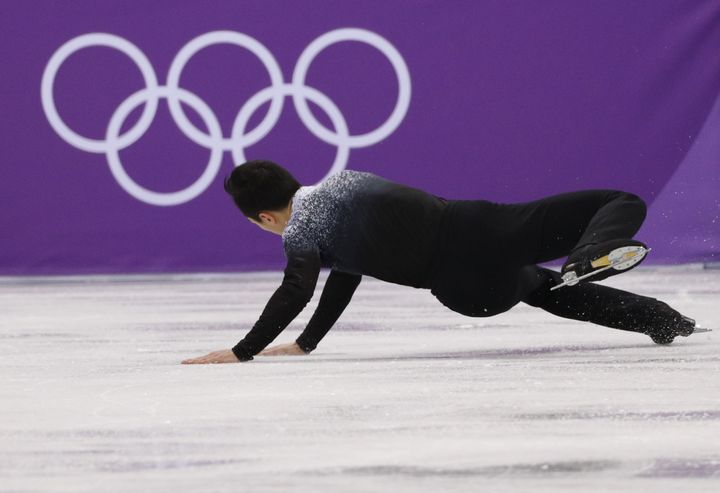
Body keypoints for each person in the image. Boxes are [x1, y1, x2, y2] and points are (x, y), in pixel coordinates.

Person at [181, 160, 700, 365]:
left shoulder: (300, 232)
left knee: (541, 287)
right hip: (484, 227)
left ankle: (660, 319)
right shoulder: (343, 178)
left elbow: (305, 288)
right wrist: (304, 340)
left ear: (266, 218)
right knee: (619, 201)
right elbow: (340, 275)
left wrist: (244, 351)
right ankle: (593, 255)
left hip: (467, 289)